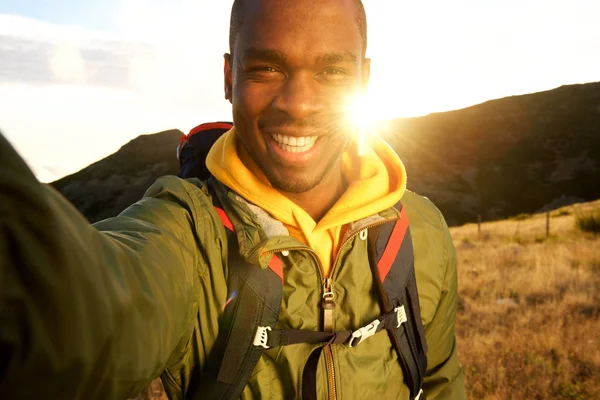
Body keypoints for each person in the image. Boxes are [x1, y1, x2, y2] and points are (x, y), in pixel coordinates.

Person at [0, 0, 465, 399]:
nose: (298, 104)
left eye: (332, 71)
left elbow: (440, 381)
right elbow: (82, 321)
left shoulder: (421, 231)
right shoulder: (189, 234)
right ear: (229, 77)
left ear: (363, 79)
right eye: (267, 67)